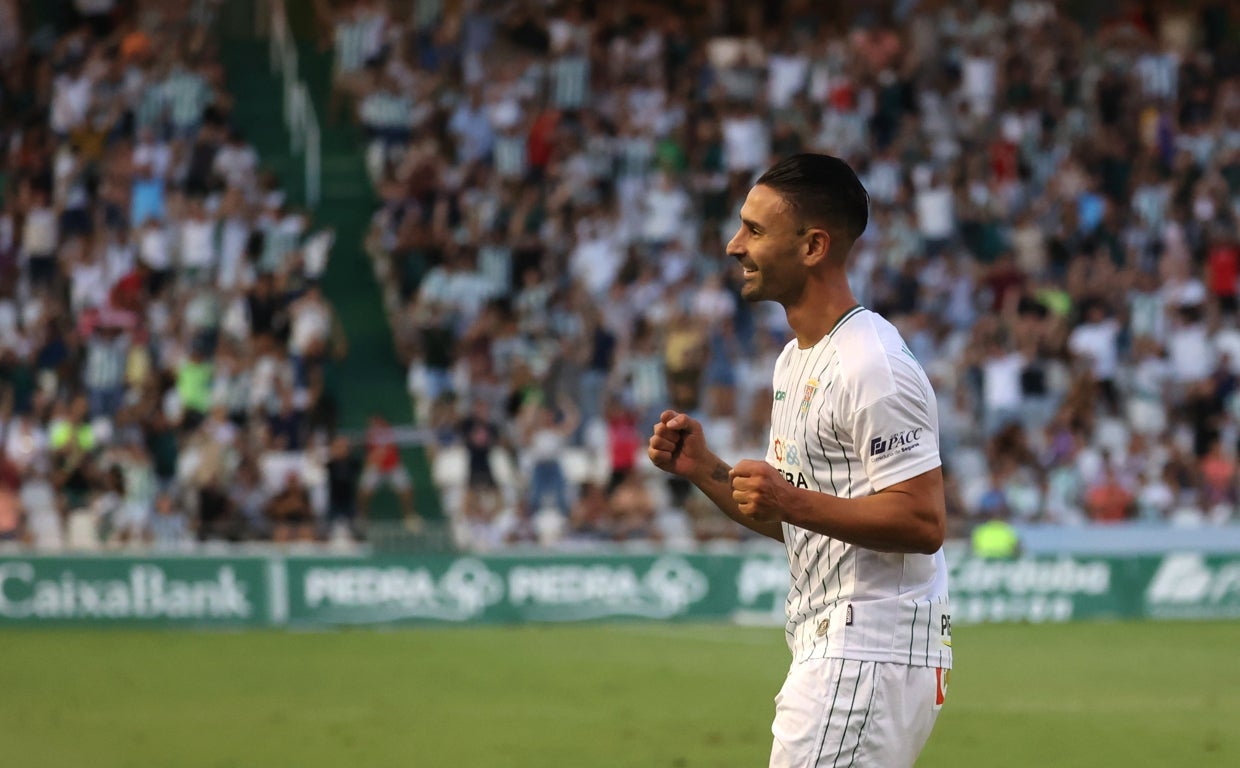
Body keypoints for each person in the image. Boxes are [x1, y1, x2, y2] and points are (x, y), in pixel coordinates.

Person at [648, 154, 951, 767]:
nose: (735, 245)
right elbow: (794, 520)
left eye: (755, 230)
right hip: (837, 649)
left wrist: (787, 498)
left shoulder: (872, 365)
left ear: (813, 246)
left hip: (866, 649)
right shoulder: (795, 359)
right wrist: (705, 469)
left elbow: (923, 522)